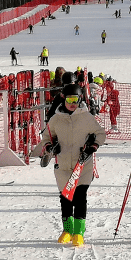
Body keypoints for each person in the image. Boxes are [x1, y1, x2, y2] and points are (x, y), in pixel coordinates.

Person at [39, 84, 105, 247]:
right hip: (63, 165)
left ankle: (78, 232)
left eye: (75, 100)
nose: (72, 103)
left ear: (80, 99)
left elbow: (101, 134)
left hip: (82, 165)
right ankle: (67, 230)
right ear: (63, 99)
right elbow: (46, 136)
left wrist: (92, 146)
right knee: (66, 199)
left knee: (80, 197)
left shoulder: (86, 117)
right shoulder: (55, 118)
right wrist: (50, 147)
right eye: (69, 99)